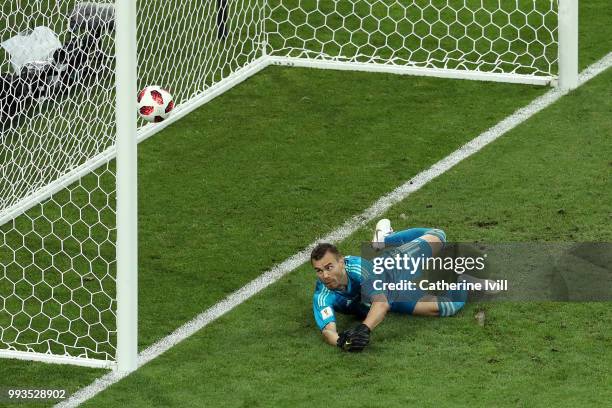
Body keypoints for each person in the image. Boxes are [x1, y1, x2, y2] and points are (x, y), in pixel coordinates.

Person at [311, 219, 492, 352]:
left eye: (329, 267)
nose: (325, 275)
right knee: (447, 307)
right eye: (319, 271)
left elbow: (380, 304)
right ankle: (464, 281)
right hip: (395, 294)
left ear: (341, 262)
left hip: (391, 269)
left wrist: (364, 328)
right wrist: (343, 342)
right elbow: (328, 331)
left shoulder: (359, 269)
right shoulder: (322, 295)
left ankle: (385, 239)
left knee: (438, 236)